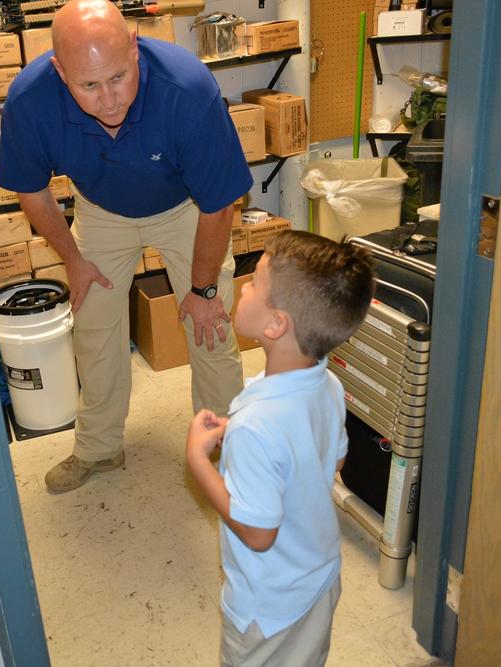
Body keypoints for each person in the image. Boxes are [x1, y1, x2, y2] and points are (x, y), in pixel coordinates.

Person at [0, 0, 252, 492]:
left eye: (119, 77)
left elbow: (220, 205)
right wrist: (73, 261)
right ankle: (99, 447)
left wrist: (200, 291)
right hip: (101, 210)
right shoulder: (30, 101)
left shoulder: (187, 87)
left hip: (185, 207)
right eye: (88, 85)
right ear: (59, 71)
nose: (109, 100)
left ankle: (226, 448)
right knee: (92, 329)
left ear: (135, 47)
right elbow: (31, 190)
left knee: (211, 328)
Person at [186, 231, 375, 666]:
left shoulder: (258, 426)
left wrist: (199, 461)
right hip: (318, 581)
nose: (243, 289)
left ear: (276, 325)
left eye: (253, 282)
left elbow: (258, 532)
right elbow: (335, 459)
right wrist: (241, 432)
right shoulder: (327, 382)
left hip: (267, 611)